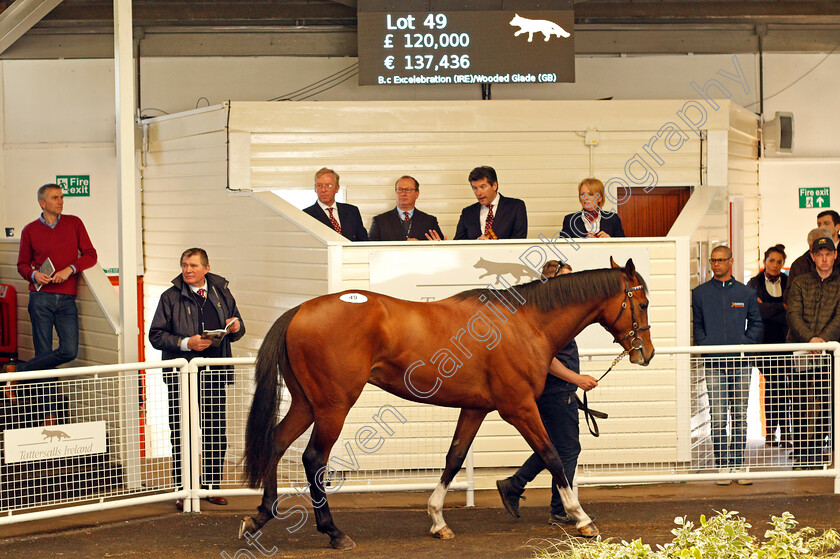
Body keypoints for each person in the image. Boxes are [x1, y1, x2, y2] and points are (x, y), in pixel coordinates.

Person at [495, 260, 599, 527]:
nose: (574, 286)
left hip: (555, 391)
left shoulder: (550, 314)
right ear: (550, 283)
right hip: (556, 392)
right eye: (567, 280)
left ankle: (515, 485)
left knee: (550, 446)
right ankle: (557, 507)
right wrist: (577, 379)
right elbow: (548, 360)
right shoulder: (549, 318)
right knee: (568, 449)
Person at [149, 248, 245, 509]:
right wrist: (185, 343)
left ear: (206, 268)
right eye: (184, 265)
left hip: (214, 373)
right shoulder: (169, 297)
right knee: (182, 432)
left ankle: (212, 486)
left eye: (193, 265)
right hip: (182, 375)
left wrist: (236, 327)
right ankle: (184, 490)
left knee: (215, 432)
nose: (187, 270)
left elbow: (238, 325)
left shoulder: (221, 291)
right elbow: (156, 335)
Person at [15, 183, 97, 425]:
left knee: (68, 351)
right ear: (42, 203)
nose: (61, 201)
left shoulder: (74, 223)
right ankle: (48, 415)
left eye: (61, 197)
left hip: (67, 298)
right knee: (44, 354)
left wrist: (70, 269)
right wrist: (33, 275)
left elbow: (90, 255)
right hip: (40, 297)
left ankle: (19, 372)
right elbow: (21, 264)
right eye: (55, 198)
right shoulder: (29, 230)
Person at [691, 245, 762, 485]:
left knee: (739, 415)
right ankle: (722, 465)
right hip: (714, 363)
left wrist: (745, 342)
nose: (717, 264)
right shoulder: (700, 293)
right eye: (713, 261)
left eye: (721, 260)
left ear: (731, 262)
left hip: (741, 362)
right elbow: (697, 325)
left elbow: (756, 323)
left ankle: (738, 465)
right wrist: (704, 344)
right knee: (719, 415)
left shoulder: (746, 293)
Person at [786, 235, 840, 469]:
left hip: (830, 352)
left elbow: (839, 318)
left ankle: (817, 451)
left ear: (835, 256)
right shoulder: (799, 282)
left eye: (828, 254)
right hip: (802, 350)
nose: (824, 258)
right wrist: (810, 339)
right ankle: (802, 453)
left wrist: (823, 341)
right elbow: (793, 314)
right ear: (813, 257)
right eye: (820, 255)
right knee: (798, 402)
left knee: (829, 403)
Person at [746, 245, 790, 447]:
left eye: (779, 262)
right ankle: (772, 432)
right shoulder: (754, 282)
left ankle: (787, 432)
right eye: (771, 261)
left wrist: (769, 308)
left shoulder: (789, 282)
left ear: (783, 264)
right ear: (764, 262)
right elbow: (756, 311)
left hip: (785, 340)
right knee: (773, 386)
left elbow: (792, 312)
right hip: (764, 342)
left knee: (787, 388)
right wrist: (780, 306)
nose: (775, 265)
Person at [453, 166, 527, 240]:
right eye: (475, 188)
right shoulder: (467, 213)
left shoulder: (516, 207)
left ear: (494, 185)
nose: (478, 193)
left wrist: (491, 246)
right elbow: (458, 244)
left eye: (483, 187)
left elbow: (518, 243)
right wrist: (443, 244)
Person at [368, 176, 444, 241]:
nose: (403, 194)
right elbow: (369, 250)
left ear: (417, 194)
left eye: (408, 190)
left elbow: (439, 248)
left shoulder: (430, 221)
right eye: (400, 190)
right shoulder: (379, 221)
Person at [303, 167, 368, 241]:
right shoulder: (306, 215)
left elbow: (363, 242)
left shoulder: (352, 211)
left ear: (337, 188)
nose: (323, 190)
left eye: (328, 186)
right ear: (315, 188)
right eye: (319, 185)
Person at [785, 226, 840, 300]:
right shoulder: (799, 265)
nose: (824, 259)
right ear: (811, 247)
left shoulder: (838, 260)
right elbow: (789, 296)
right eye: (819, 246)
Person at [561, 178, 625, 239]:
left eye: (590, 194)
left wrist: (610, 240)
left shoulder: (613, 219)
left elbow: (624, 246)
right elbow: (563, 246)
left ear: (600, 198)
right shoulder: (570, 220)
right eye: (582, 194)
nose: (585, 198)